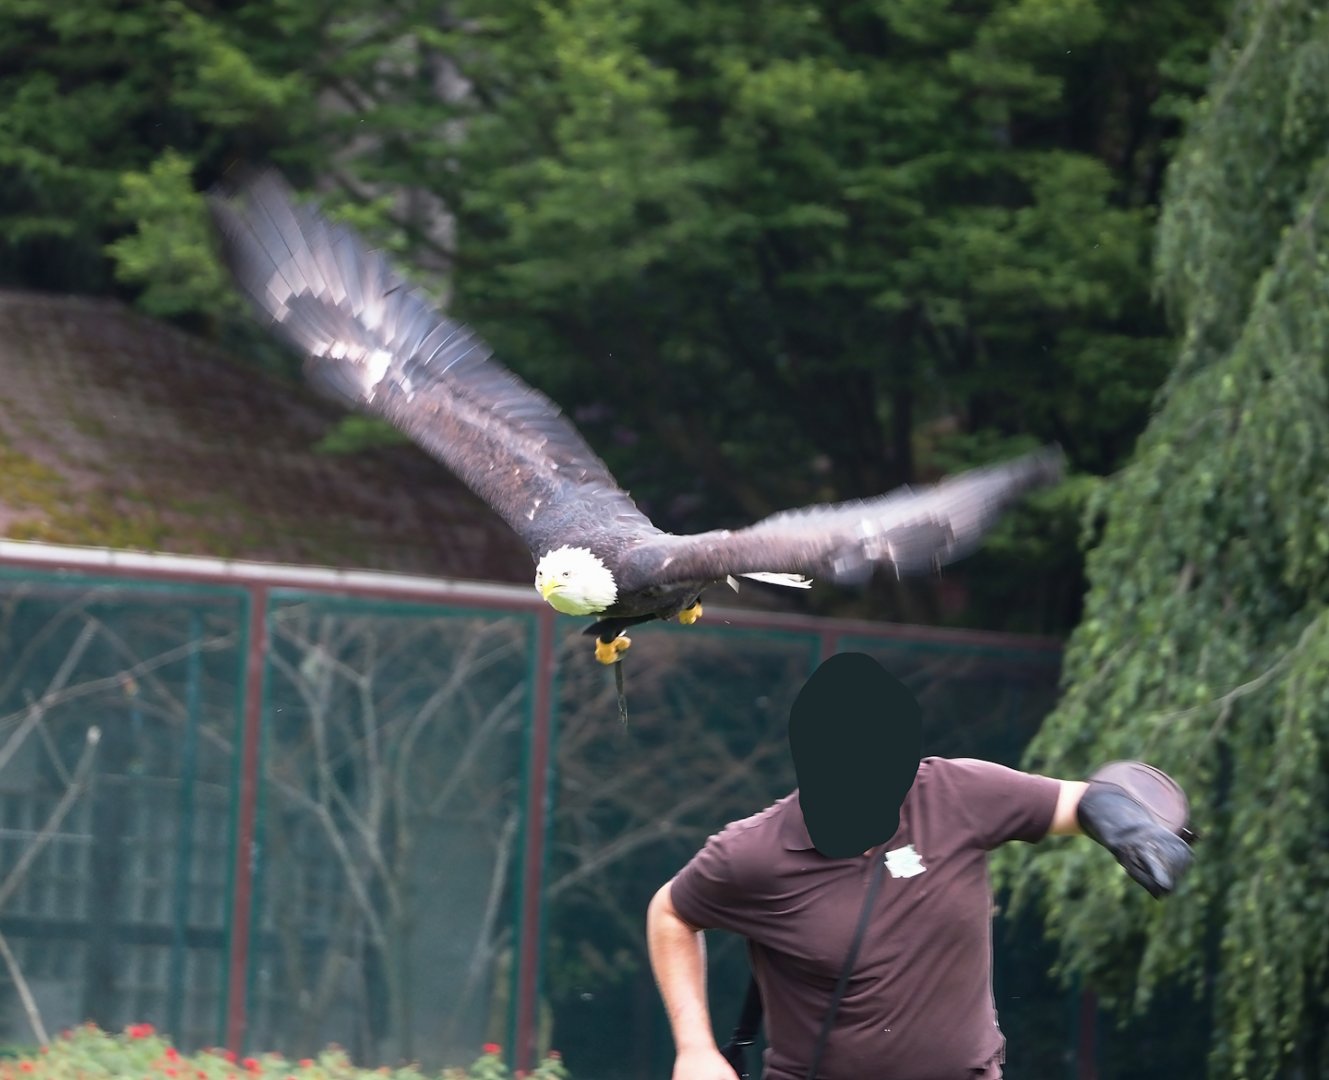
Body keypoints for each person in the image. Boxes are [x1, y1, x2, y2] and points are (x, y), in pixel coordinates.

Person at [646, 653, 1195, 1080]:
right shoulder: (753, 853)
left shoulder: (956, 793)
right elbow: (670, 914)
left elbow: (1079, 800)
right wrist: (694, 1048)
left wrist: (1131, 830)